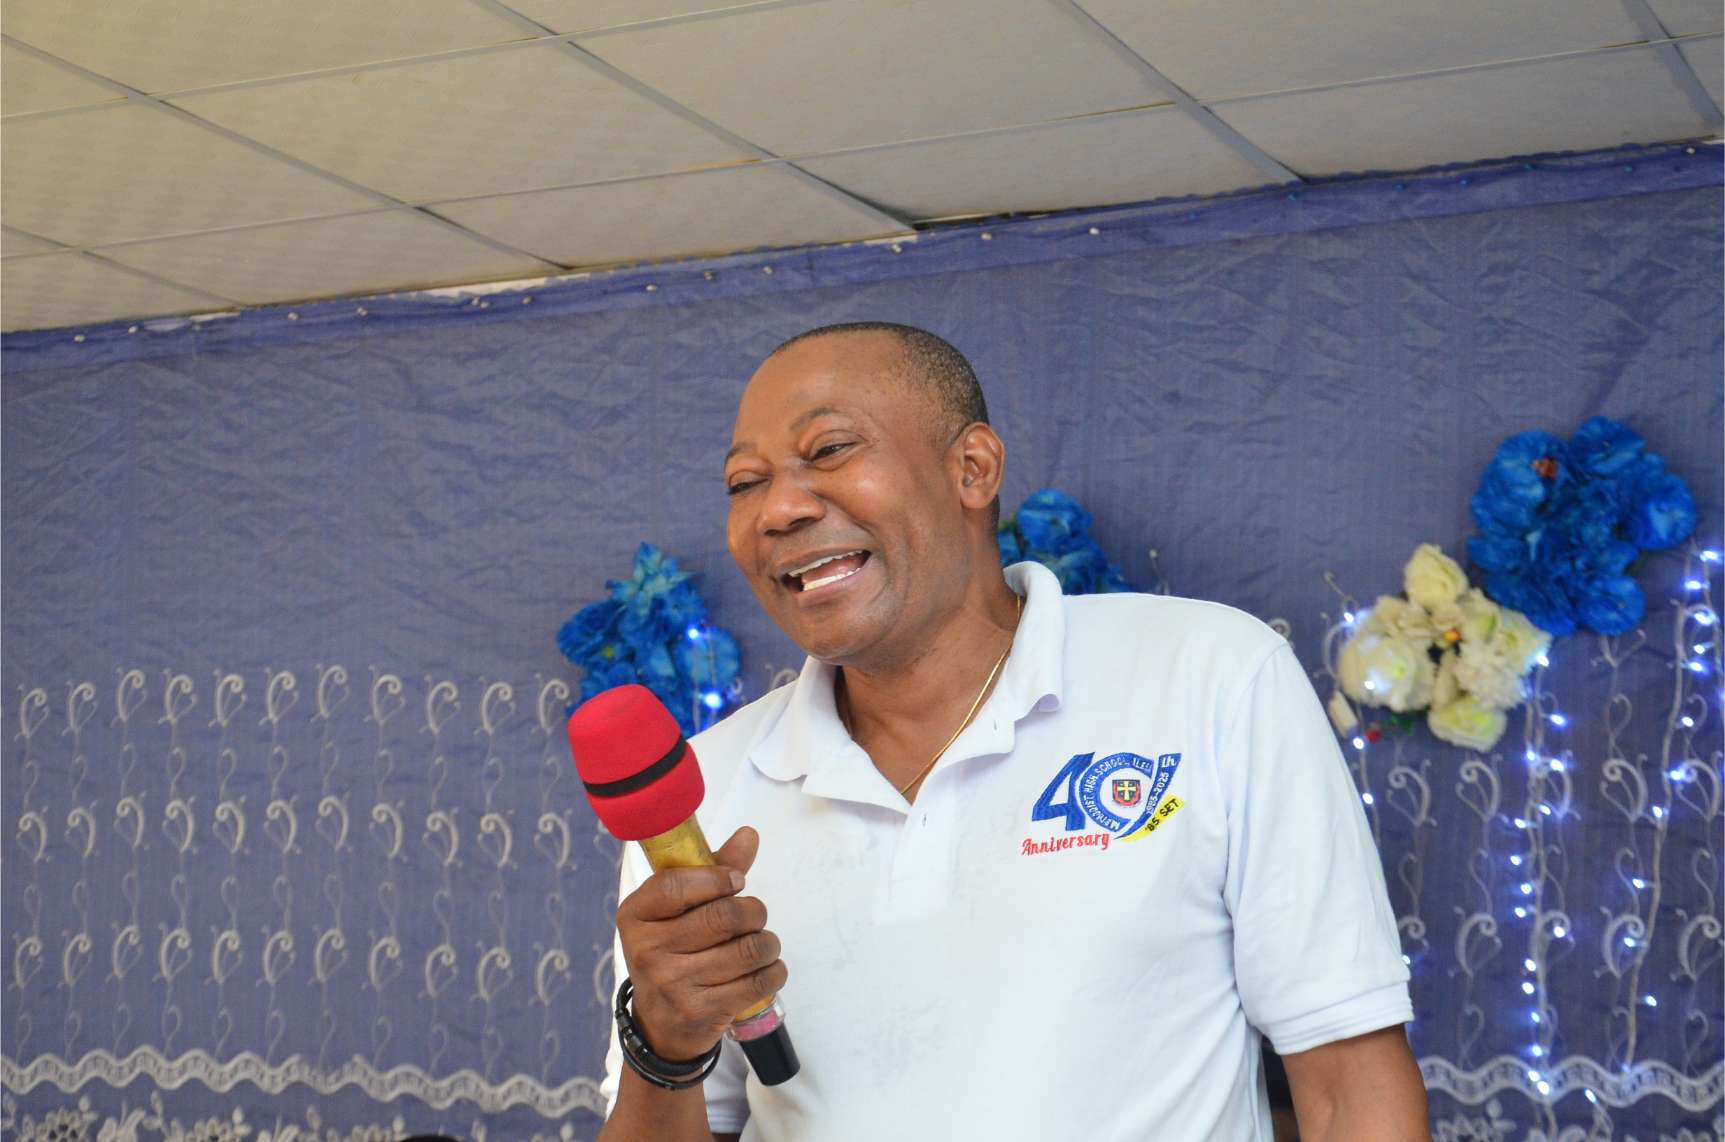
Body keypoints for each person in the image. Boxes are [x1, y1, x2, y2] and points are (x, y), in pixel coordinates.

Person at [597, 323, 1429, 1141]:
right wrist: (662, 1045)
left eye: (830, 451)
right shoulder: (702, 792)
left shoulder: (1207, 676)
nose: (777, 509)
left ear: (972, 468)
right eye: (745, 482)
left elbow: (1348, 1093)